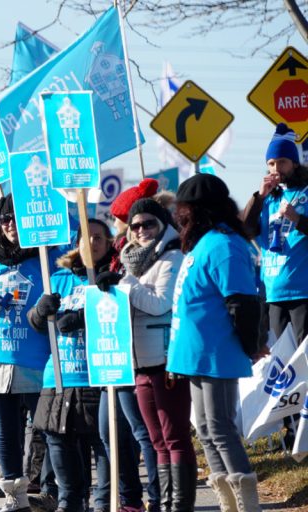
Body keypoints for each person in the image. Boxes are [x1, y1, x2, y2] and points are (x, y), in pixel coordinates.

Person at [167, 174, 266, 512]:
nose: (180, 216)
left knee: (220, 426)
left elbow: (242, 302)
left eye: (185, 209)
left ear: (200, 210)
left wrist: (252, 345)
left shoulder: (225, 245)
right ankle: (228, 504)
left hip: (216, 351)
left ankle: (247, 503)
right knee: (206, 430)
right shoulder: (204, 242)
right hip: (194, 352)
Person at [101, 198, 195, 512]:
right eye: (136, 225)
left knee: (175, 436)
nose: (141, 230)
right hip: (138, 362)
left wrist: (122, 285)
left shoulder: (171, 257)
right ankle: (165, 502)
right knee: (156, 440)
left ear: (164, 224)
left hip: (166, 361)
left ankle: (179, 504)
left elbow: (159, 303)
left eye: (148, 223)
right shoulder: (132, 260)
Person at [0, 194, 55, 512]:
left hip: (36, 359)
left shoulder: (46, 257)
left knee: (46, 430)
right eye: (5, 219)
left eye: (18, 218)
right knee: (5, 433)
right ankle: (14, 497)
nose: (11, 225)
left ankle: (51, 490)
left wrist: (49, 309)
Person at [27, 219, 114, 512]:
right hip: (59, 375)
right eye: (86, 237)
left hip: (97, 376)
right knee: (57, 439)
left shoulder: (113, 276)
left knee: (102, 444)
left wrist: (85, 315)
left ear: (109, 242)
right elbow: (37, 323)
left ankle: (104, 501)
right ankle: (69, 500)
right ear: (76, 243)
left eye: (99, 237)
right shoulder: (59, 279)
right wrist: (41, 311)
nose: (92, 242)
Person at [242, 123, 308, 344]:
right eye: (271, 163)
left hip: (303, 291)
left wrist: (297, 219)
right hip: (273, 291)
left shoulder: (305, 192)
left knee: (304, 361)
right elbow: (246, 229)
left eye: (282, 162)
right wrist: (258, 197)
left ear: (294, 164)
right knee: (281, 362)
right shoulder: (267, 198)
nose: (275, 168)